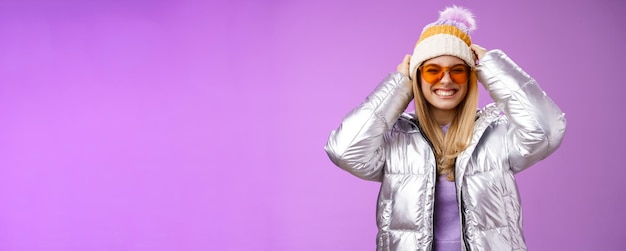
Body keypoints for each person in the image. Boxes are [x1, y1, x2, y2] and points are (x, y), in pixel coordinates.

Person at [324, 5, 566, 251]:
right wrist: (397, 87)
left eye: (458, 71)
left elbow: (547, 130)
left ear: (471, 77)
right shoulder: (396, 140)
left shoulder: (496, 136)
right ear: (416, 78)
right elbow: (343, 150)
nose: (446, 79)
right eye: (432, 71)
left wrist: (493, 67)